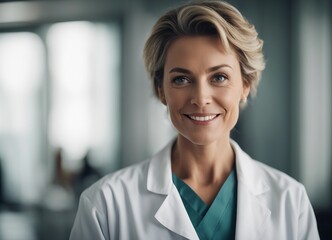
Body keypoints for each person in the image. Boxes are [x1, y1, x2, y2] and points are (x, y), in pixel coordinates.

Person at [69, 1, 320, 239]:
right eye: (181, 79)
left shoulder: (290, 200)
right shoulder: (105, 204)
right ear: (160, 90)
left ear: (245, 85)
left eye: (219, 77)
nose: (201, 98)